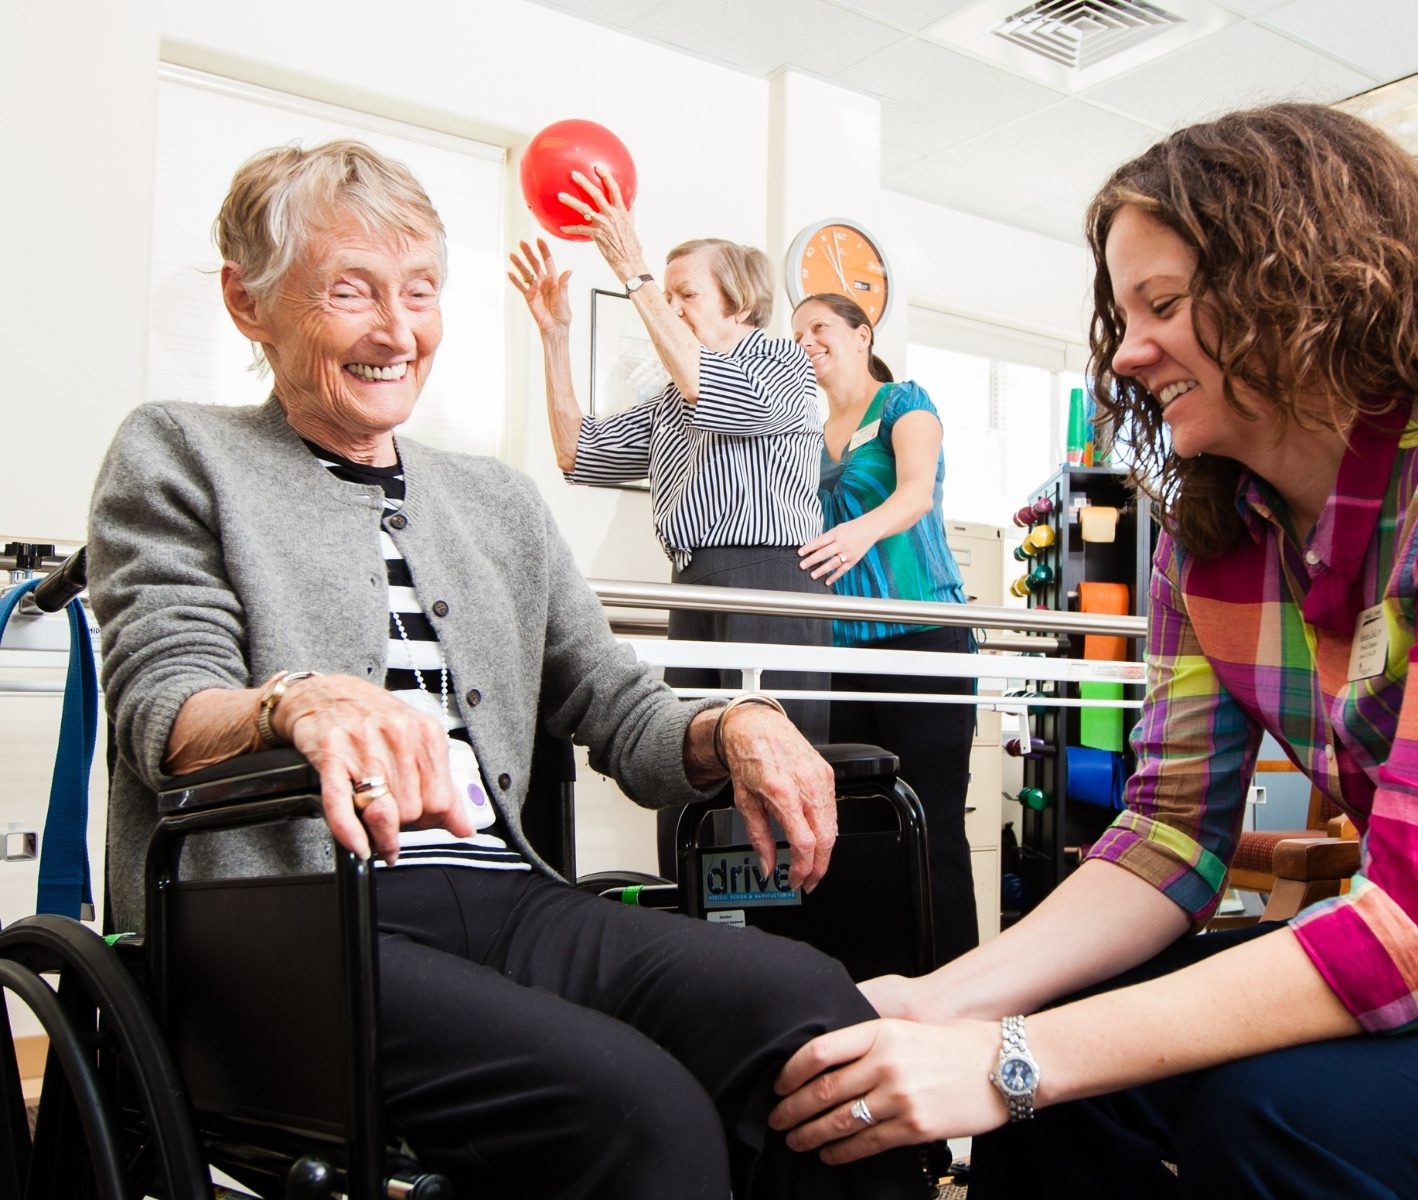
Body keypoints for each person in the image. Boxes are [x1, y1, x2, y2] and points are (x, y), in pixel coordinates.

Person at [764, 103, 1418, 1198]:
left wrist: (1011, 1063)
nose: (1130, 349)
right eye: (1123, 314)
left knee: (1279, 1126)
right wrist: (953, 1001)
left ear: (1300, 287)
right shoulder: (1212, 536)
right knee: (1062, 1078)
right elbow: (1168, 837)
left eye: (1162, 304)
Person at [87, 138, 923, 1200]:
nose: (398, 330)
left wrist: (733, 725)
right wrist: (296, 703)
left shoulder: (494, 502)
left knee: (819, 1022)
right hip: (286, 931)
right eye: (351, 291)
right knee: (639, 1110)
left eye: (421, 291)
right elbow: (163, 705)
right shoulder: (179, 452)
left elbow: (616, 707)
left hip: (510, 901)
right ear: (248, 304)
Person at [509, 187, 831, 749]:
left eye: (687, 293)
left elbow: (711, 388)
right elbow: (576, 452)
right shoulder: (671, 398)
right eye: (669, 294)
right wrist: (554, 335)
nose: (672, 307)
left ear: (740, 301)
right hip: (694, 582)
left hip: (768, 578)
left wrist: (633, 268)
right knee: (693, 760)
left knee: (768, 763)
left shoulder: (784, 362)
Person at [791, 291, 979, 968]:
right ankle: (864, 985)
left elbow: (915, 493)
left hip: (922, 638)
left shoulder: (904, 403)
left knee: (931, 825)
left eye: (820, 327)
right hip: (839, 652)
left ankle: (955, 985)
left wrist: (858, 533)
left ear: (862, 333)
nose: (807, 339)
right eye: (798, 332)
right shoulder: (806, 436)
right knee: (851, 829)